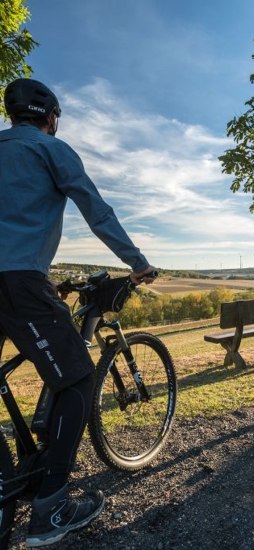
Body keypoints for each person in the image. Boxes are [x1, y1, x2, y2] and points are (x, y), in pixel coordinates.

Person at [0, 78, 156, 547]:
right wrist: (137, 262)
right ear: (49, 116)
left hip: (17, 281)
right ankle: (51, 507)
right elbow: (96, 209)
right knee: (77, 379)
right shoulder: (50, 148)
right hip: (18, 281)